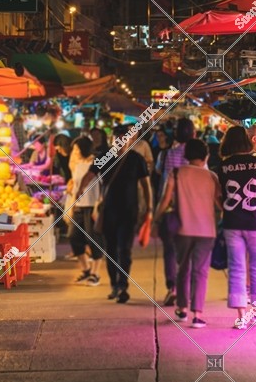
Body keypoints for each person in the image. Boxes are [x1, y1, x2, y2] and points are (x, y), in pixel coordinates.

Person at [216, 126, 256, 329]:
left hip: (232, 223)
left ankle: (241, 317)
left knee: (236, 268)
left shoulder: (224, 166)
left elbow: (219, 197)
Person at [82, 125, 152, 304]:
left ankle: (123, 285)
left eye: (125, 138)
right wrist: (79, 191)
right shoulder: (105, 158)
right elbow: (90, 174)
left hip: (129, 212)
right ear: (114, 140)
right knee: (111, 250)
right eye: (118, 138)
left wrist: (149, 209)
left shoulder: (136, 159)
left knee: (125, 250)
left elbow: (146, 185)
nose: (122, 142)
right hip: (108, 213)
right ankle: (114, 284)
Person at [156, 139, 220, 328]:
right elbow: (220, 204)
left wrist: (155, 219)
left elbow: (165, 200)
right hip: (207, 231)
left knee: (183, 268)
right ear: (206, 156)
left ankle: (182, 309)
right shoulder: (212, 177)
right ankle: (197, 314)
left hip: (182, 230)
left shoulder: (176, 173)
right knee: (200, 272)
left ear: (186, 156)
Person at [153, 117, 196, 307]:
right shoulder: (198, 157)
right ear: (194, 134)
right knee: (188, 253)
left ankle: (173, 287)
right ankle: (186, 290)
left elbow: (162, 181)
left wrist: (156, 215)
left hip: (171, 208)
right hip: (192, 209)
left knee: (170, 250)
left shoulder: (167, 155)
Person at [66, 136, 105, 286]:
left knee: (94, 240)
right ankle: (86, 269)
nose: (74, 152)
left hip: (92, 206)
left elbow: (103, 186)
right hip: (79, 206)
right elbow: (75, 185)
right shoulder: (77, 164)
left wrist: (98, 206)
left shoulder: (97, 162)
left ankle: (95, 273)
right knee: (73, 237)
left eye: (76, 149)